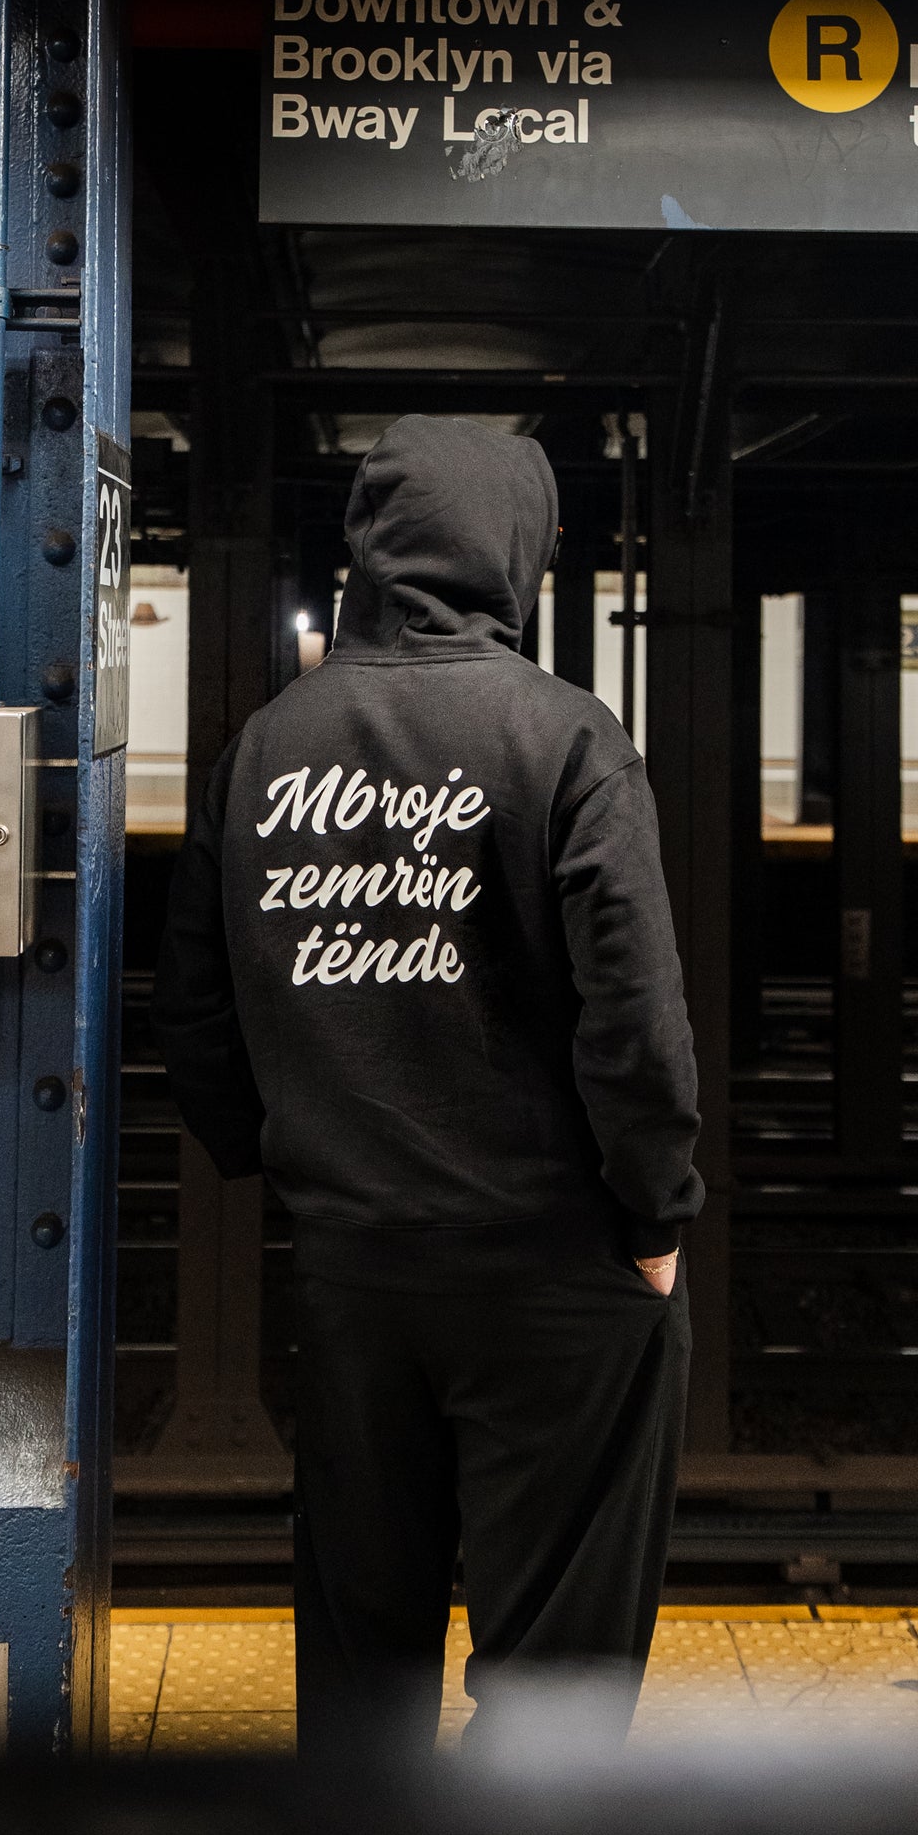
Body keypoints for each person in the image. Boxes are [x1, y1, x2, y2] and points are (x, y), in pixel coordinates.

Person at [153, 414, 703, 1758]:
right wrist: (652, 1218)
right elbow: (630, 1015)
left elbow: (192, 1001)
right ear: (514, 548)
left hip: (357, 1269)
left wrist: (281, 1162)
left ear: (372, 545)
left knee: (360, 1648)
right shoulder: (569, 742)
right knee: (554, 1668)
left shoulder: (268, 747)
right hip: (555, 1270)